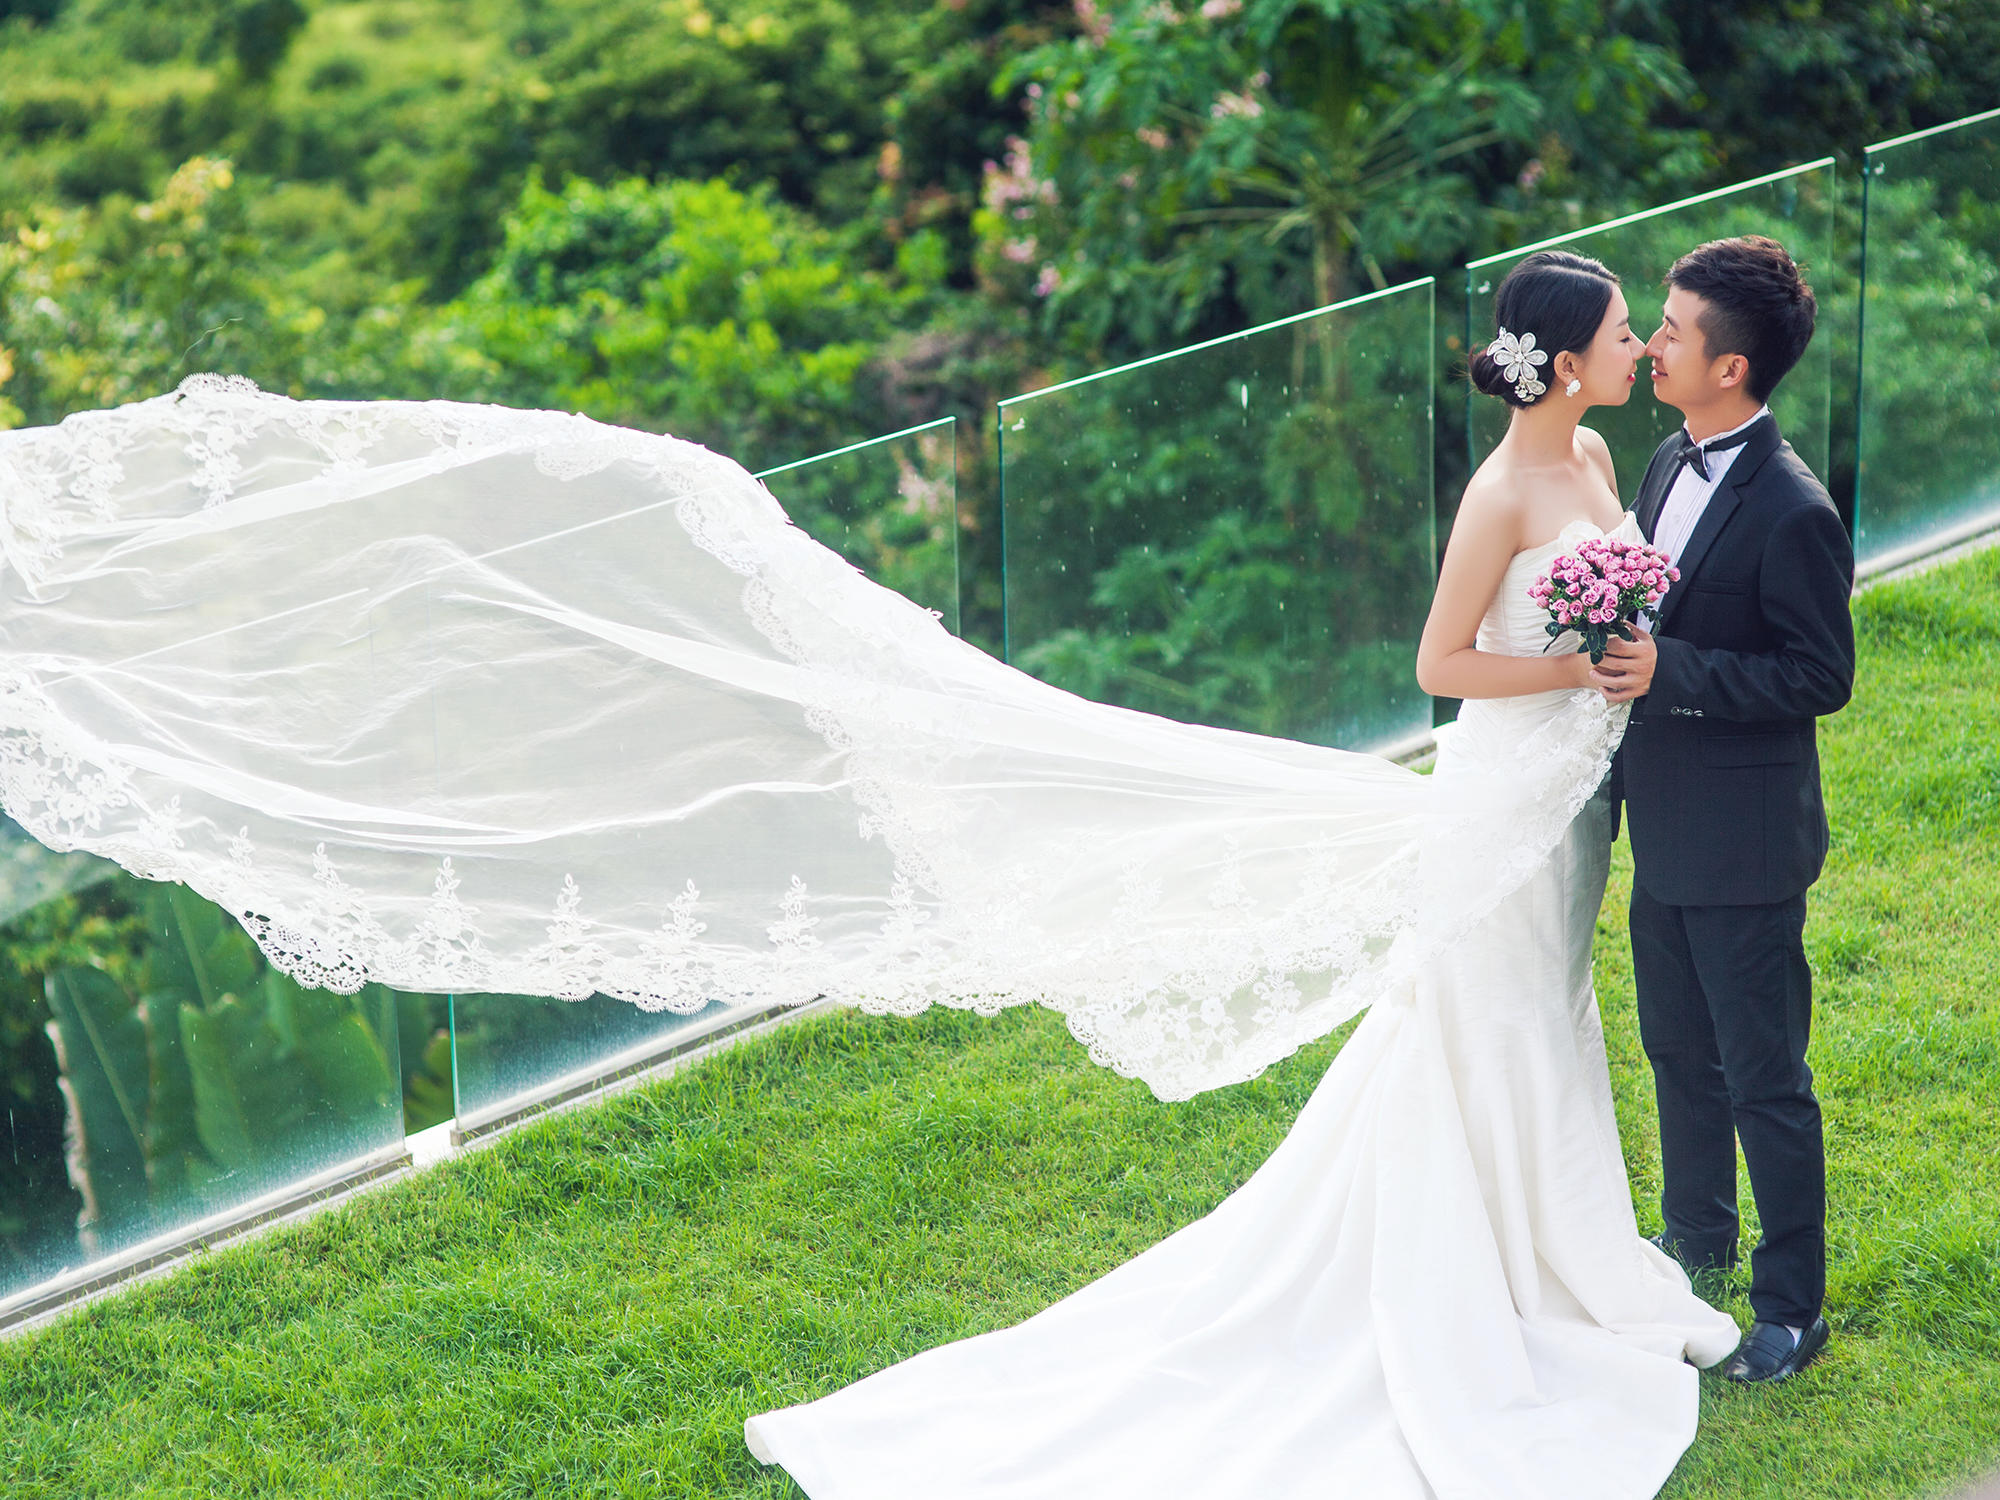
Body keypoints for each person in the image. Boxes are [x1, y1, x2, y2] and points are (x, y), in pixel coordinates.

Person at [738, 249, 1740, 1498]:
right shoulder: (1498, 495)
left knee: (1546, 1010)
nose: (1639, 347)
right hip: (1500, 798)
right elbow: (1440, 664)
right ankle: (1476, 1276)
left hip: (1569, 796)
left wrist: (1613, 658)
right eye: (1620, 331)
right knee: (1493, 1016)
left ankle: (1559, 1251)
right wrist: (1573, 669)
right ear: (1566, 361)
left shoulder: (1591, 458)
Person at [1592, 235, 1855, 1384]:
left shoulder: (1792, 510)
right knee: (1673, 1050)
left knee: (1763, 1080)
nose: (1651, 344)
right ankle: (1692, 1244)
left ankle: (1790, 1307)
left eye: (1670, 330)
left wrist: (1673, 671)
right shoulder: (1664, 461)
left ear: (1730, 367)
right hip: (1662, 824)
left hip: (1743, 848)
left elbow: (1819, 675)